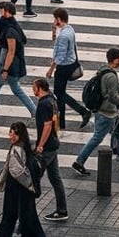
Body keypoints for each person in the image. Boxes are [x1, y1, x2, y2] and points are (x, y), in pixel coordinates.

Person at [71, 47, 119, 175]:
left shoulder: (102, 70)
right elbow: (112, 96)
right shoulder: (111, 76)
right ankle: (79, 162)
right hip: (107, 113)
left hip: (107, 111)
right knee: (97, 138)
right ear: (115, 59)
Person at [0, 2, 35, 127]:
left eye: (1, 10)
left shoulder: (10, 30)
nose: (0, 12)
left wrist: (5, 70)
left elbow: (11, 51)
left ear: (6, 11)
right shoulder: (11, 25)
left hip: (6, 66)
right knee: (17, 89)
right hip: (12, 67)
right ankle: (35, 111)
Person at [0, 121, 45, 237]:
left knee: (11, 218)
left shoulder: (17, 149)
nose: (10, 136)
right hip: (23, 189)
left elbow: (16, 171)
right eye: (10, 132)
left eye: (13, 133)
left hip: (17, 187)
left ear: (19, 135)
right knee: (27, 218)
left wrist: (29, 184)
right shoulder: (25, 147)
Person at [30, 79, 69, 222]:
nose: (32, 90)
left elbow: (47, 125)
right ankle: (62, 210)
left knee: (33, 176)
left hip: (47, 147)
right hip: (53, 144)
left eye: (33, 87)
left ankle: (27, 212)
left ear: (39, 88)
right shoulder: (52, 99)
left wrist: (40, 145)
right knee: (55, 178)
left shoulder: (43, 104)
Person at [45, 8, 90, 130]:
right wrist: (54, 30)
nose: (54, 21)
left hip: (64, 68)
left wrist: (50, 70)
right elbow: (57, 43)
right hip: (70, 64)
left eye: (55, 19)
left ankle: (83, 112)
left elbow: (60, 56)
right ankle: (62, 122)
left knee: (59, 93)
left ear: (59, 19)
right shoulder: (69, 29)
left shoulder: (64, 36)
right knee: (60, 94)